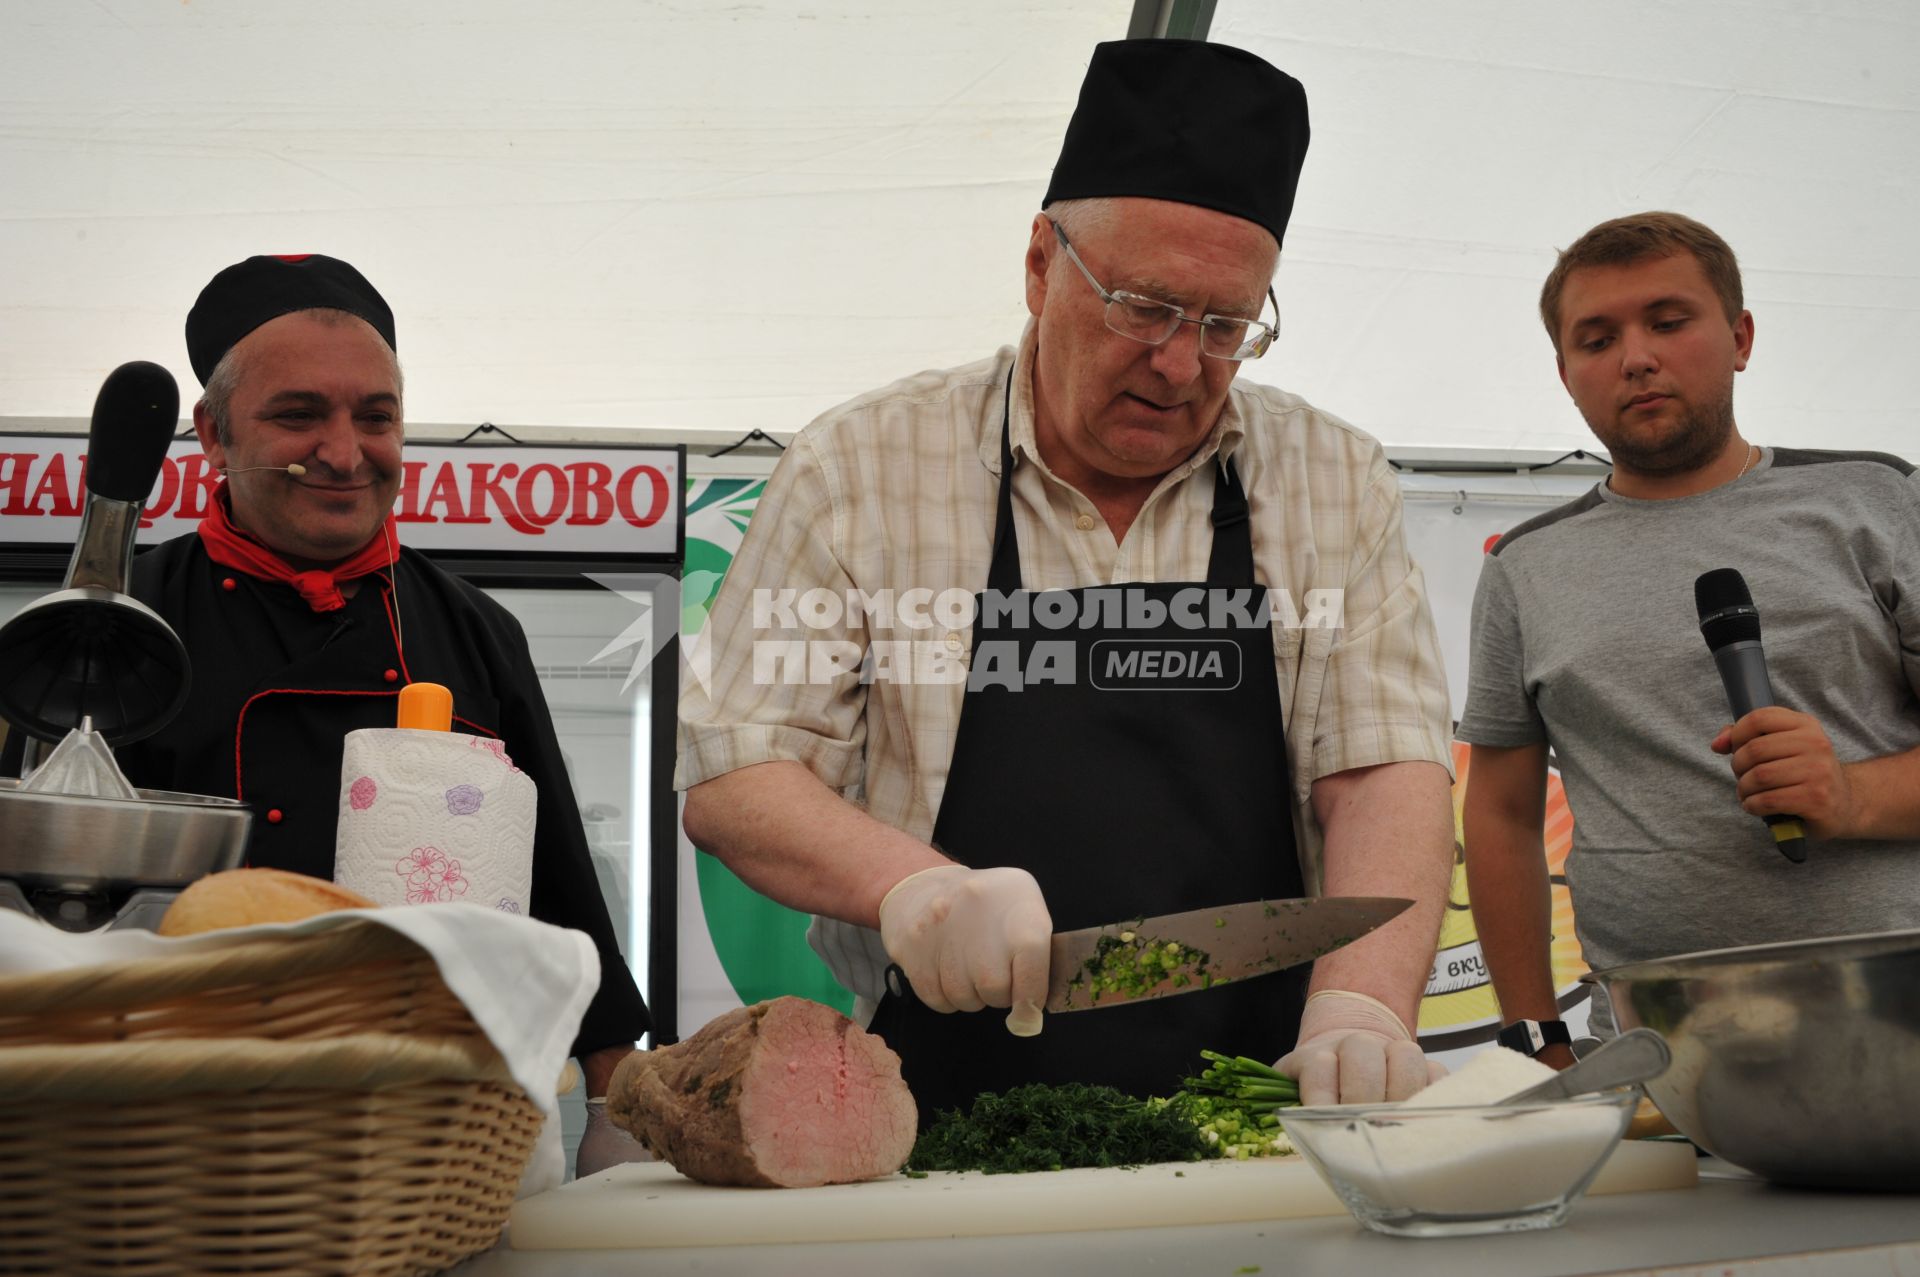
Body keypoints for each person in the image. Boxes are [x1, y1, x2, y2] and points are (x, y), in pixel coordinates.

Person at [678, 39, 1456, 1115]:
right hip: (939, 1115)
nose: (1181, 363)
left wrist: (1363, 1002)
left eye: (1226, 325)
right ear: (1043, 265)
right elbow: (737, 768)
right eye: (1143, 306)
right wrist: (914, 886)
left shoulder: (1330, 477)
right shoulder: (859, 465)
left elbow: (1384, 770)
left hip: (1264, 1105)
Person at [4, 254, 651, 1134]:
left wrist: (617, 1112)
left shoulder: (475, 629)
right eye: (299, 415)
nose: (345, 453)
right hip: (163, 1113)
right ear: (212, 432)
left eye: (375, 418)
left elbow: (562, 885)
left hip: (437, 1114)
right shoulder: (120, 621)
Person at [1458, 211, 1920, 1065]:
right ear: (1565, 373)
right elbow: (1501, 812)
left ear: (1740, 336)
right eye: (1596, 339)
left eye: (1668, 322)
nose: (1636, 356)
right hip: (1661, 1062)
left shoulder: (1879, 499)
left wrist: (1851, 797)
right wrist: (1536, 1034)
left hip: (1898, 1040)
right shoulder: (1526, 566)